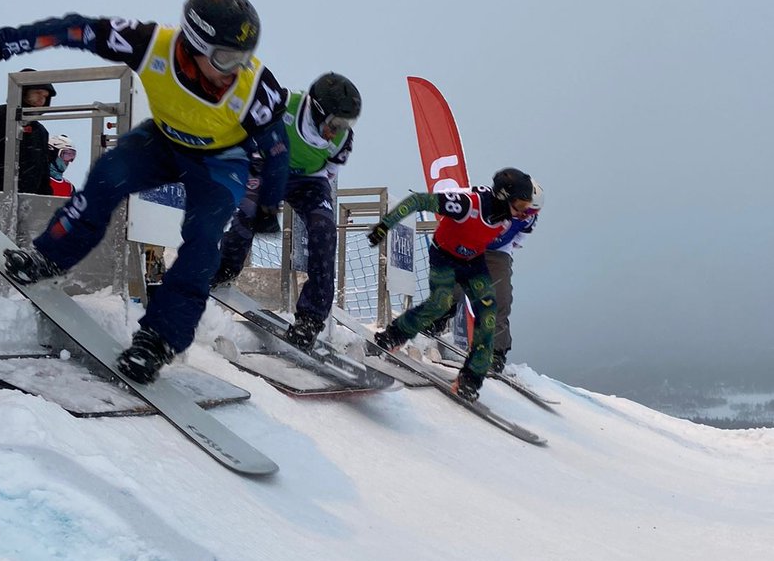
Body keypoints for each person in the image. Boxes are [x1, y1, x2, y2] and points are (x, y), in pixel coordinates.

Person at [0, 0, 290, 382]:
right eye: (224, 58)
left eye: (244, 58)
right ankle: (52, 256)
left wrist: (268, 208)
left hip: (222, 162)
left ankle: (159, 339)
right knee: (107, 175)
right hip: (165, 141)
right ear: (193, 41)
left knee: (203, 237)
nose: (234, 69)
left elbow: (276, 150)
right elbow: (73, 30)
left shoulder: (257, 89)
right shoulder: (150, 44)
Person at [212, 72, 362, 351]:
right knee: (248, 215)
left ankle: (310, 319)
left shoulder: (343, 140)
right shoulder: (283, 105)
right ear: (318, 110)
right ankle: (224, 267)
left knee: (324, 231)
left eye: (345, 124)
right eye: (335, 123)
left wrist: (312, 202)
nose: (338, 130)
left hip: (310, 180)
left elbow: (329, 171)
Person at [366, 168, 535, 402]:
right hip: (445, 255)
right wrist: (385, 225)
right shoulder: (468, 204)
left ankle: (470, 380)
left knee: (488, 314)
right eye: (520, 205)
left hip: (473, 261)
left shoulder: (510, 217)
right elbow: (419, 201)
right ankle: (392, 336)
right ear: (504, 196)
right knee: (441, 302)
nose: (523, 212)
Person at [430, 178, 543, 375]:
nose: (526, 214)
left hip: (498, 251)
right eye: (525, 209)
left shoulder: (528, 220)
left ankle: (496, 351)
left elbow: (519, 238)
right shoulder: (483, 197)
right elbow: (450, 196)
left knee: (500, 297)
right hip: (468, 243)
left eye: (532, 212)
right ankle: (435, 319)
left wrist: (505, 251)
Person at [0, 71, 56, 293]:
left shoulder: (40, 132)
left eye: (45, 96)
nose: (40, 100)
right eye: (36, 94)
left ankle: (5, 309)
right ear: (22, 92)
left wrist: (47, 207)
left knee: (21, 269)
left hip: (27, 210)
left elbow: (43, 174)